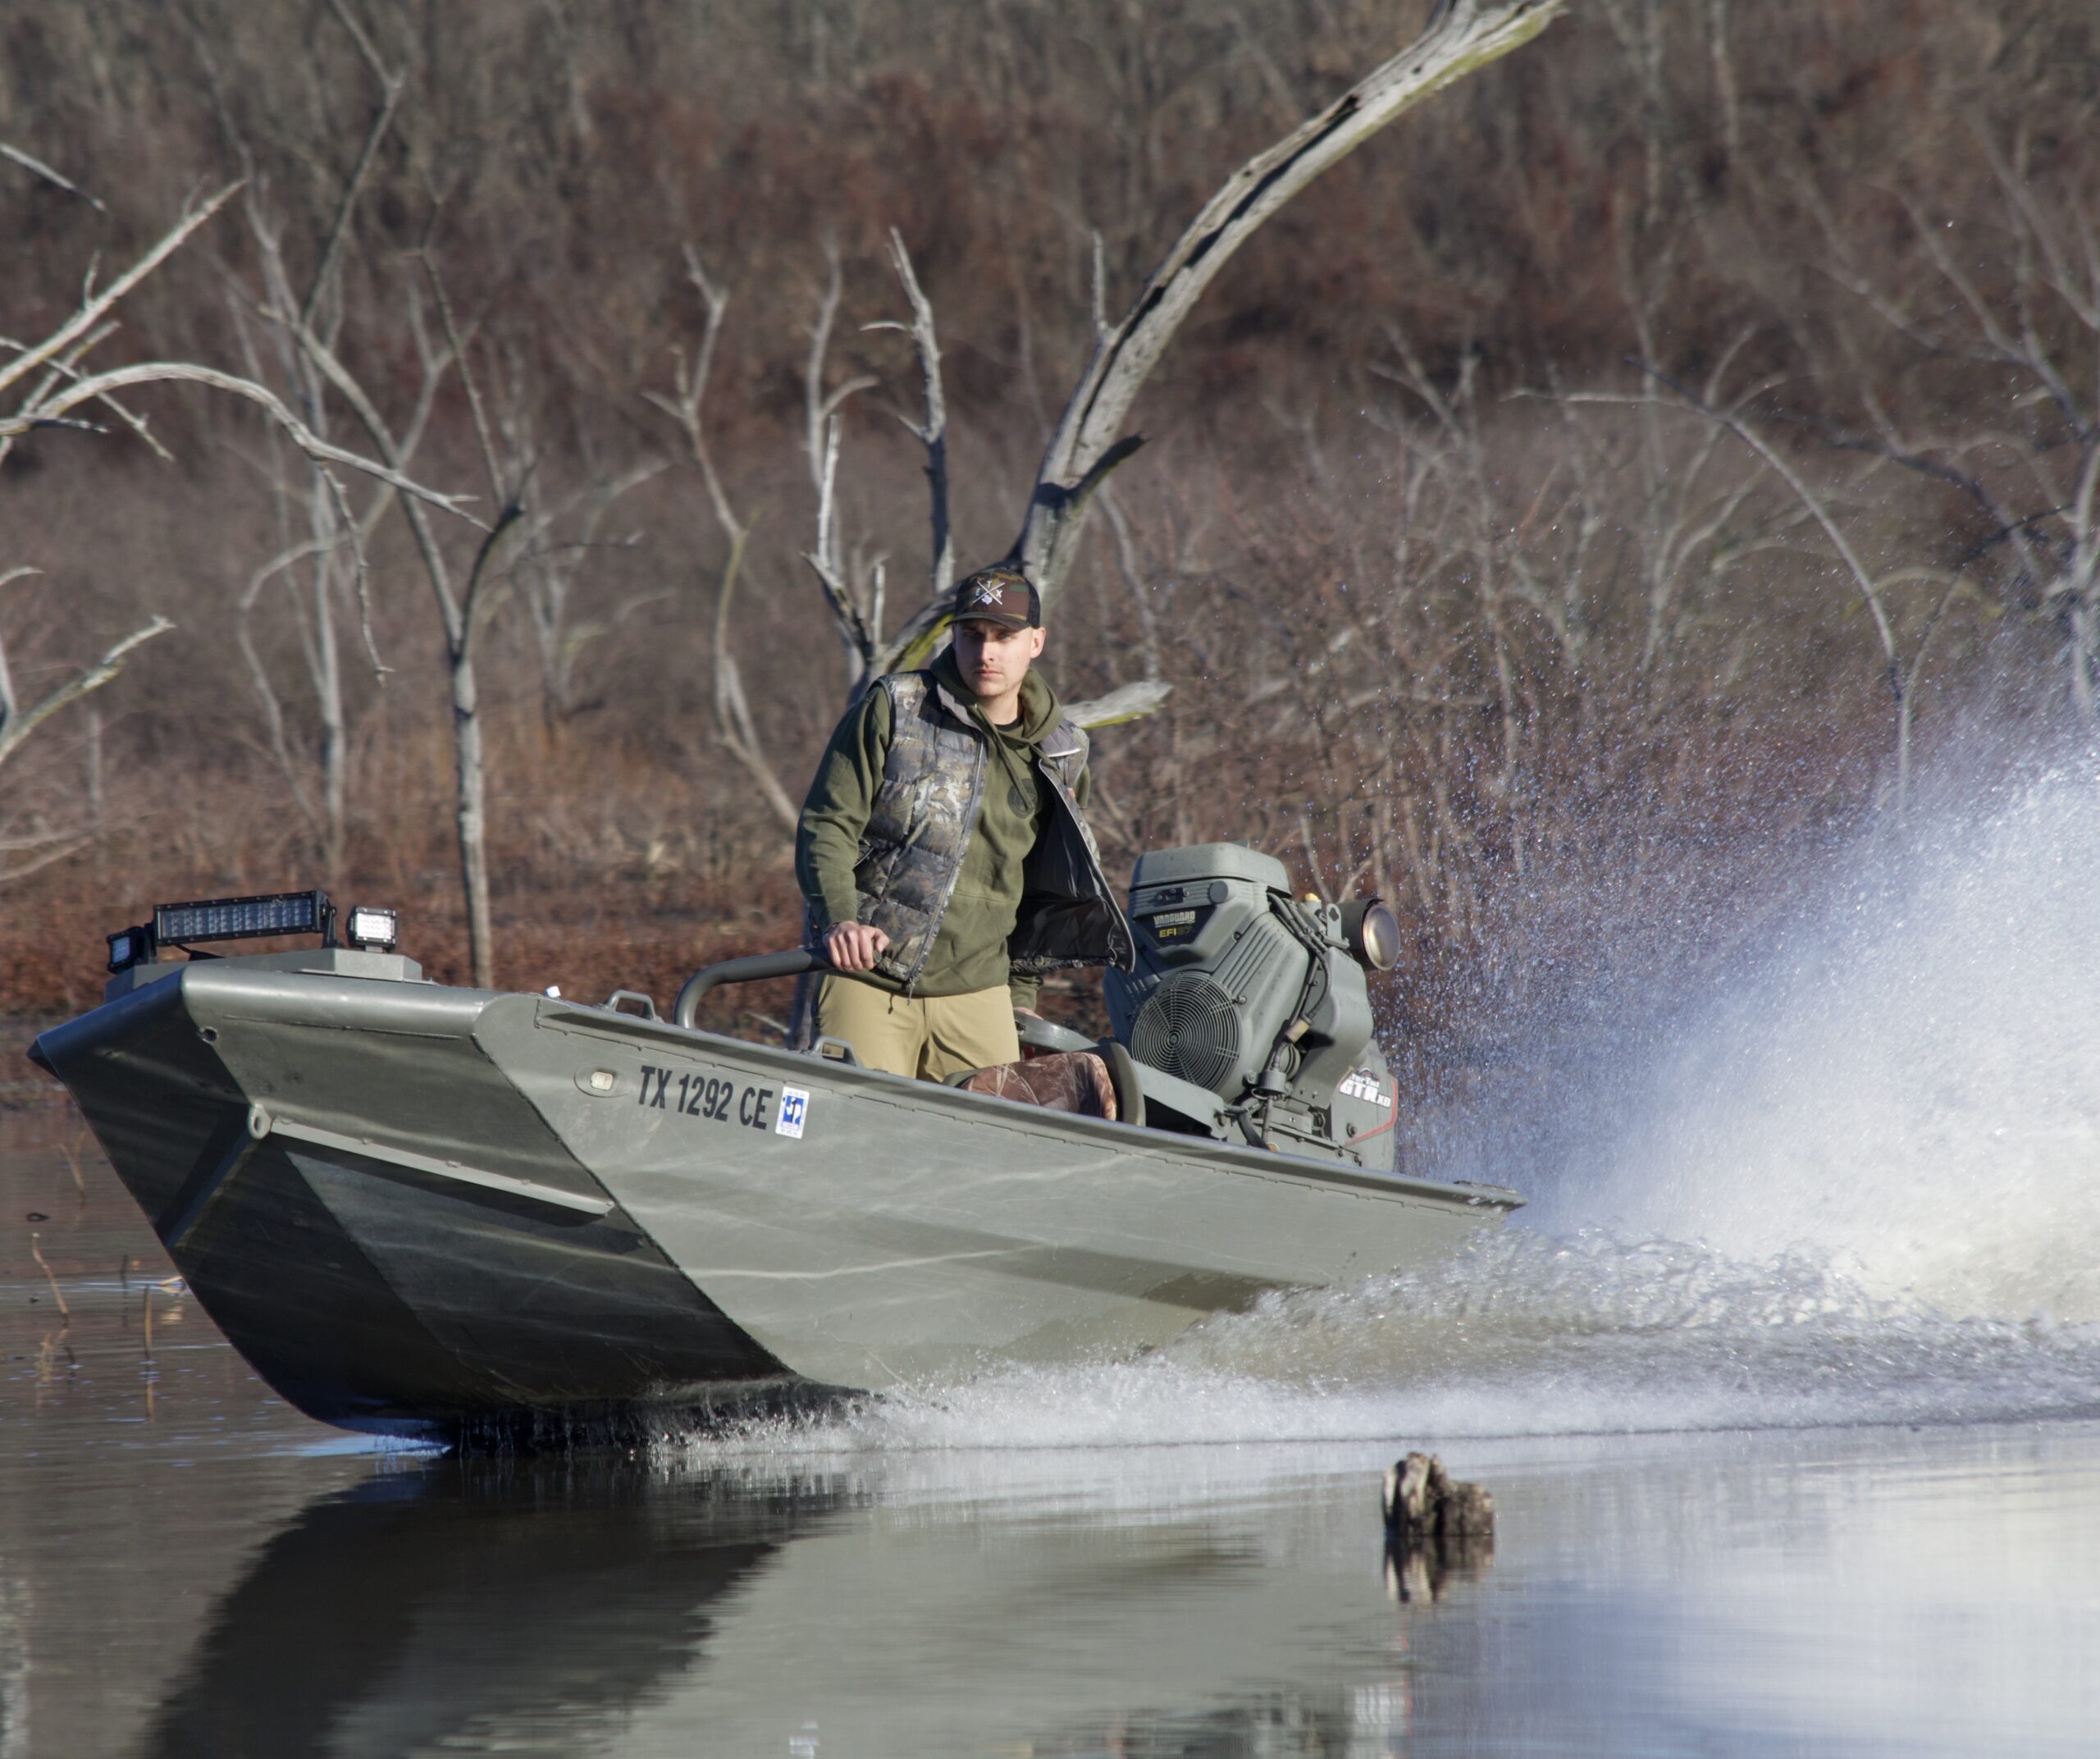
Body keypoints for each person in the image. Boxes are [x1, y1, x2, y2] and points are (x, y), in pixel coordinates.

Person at [793, 563, 1133, 1081]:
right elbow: (828, 824)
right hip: (869, 979)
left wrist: (1020, 998)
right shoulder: (895, 706)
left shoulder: (1064, 751)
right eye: (972, 635)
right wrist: (841, 918)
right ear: (953, 636)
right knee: (857, 1144)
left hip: (981, 995)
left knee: (986, 1154)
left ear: (1036, 642)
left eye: (1004, 636)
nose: (986, 651)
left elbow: (1045, 890)